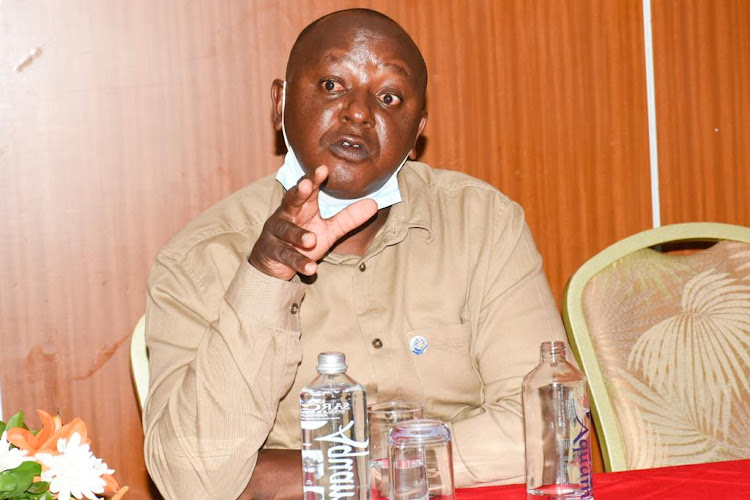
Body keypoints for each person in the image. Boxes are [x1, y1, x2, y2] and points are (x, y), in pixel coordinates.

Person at [143, 8, 568, 500]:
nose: (361, 112)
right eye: (331, 86)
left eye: (389, 96)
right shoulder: (199, 258)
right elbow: (190, 482)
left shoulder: (484, 223)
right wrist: (264, 277)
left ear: (417, 132)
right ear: (280, 103)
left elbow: (550, 426)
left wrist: (336, 468)